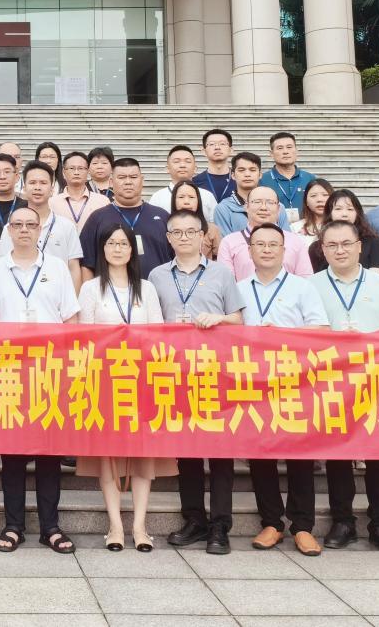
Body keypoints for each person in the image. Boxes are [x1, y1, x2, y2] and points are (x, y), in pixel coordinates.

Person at [310, 220, 379, 554]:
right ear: (322, 250)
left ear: (359, 246)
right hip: (330, 382)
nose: (339, 250)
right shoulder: (310, 286)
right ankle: (343, 521)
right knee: (337, 456)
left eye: (346, 244)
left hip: (376, 382)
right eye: (332, 245)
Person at [0, 205, 79, 555]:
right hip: (9, 371)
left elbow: (70, 320)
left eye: (30, 225)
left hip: (49, 371)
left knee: (49, 453)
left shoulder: (56, 268)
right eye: (18, 225)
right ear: (9, 231)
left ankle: (50, 526)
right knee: (12, 454)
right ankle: (13, 525)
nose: (24, 230)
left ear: (40, 230)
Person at [149, 209, 243, 554]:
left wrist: (218, 319)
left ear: (204, 236)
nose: (185, 237)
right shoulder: (157, 275)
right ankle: (194, 519)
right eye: (178, 232)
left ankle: (220, 525)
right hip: (174, 373)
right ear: (169, 238)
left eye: (191, 231)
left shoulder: (222, 273)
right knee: (186, 451)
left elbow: (238, 319)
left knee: (220, 453)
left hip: (216, 372)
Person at [77, 223, 175, 552]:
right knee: (109, 456)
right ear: (102, 249)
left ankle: (140, 526)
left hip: (142, 379)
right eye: (111, 243)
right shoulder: (91, 288)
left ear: (133, 250)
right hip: (105, 380)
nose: (117, 249)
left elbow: (158, 333)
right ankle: (115, 526)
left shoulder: (145, 288)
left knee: (143, 455)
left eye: (123, 243)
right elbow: (84, 337)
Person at [237, 223, 329, 556]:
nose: (266, 250)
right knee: (260, 454)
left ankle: (302, 526)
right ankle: (271, 522)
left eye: (273, 244)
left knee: (300, 455)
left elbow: (322, 329)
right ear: (250, 251)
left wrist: (283, 335)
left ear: (284, 250)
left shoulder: (303, 288)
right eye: (259, 244)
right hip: (253, 382)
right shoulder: (237, 289)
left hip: (295, 381)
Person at [79, 158, 171, 280]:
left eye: (133, 177)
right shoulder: (97, 218)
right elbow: (87, 264)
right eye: (121, 177)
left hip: (156, 289)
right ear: (111, 182)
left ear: (142, 180)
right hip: (109, 290)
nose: (128, 182)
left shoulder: (162, 216)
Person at [0, 161, 83, 290]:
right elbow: (3, 266)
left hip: (58, 296)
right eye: (32, 183)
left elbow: (74, 268)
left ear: (52, 189)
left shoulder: (66, 226)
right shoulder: (12, 227)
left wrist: (74, 300)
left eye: (43, 183)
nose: (37, 187)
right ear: (24, 188)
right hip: (20, 294)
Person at [217, 186, 313, 282]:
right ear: (246, 207)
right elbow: (226, 285)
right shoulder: (229, 242)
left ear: (278, 209)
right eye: (257, 202)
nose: (263, 207)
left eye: (270, 202)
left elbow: (306, 281)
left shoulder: (295, 241)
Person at [308, 189, 379, 273]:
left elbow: (375, 275)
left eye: (350, 209)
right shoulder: (316, 248)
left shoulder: (373, 242)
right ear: (329, 213)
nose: (344, 214)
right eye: (338, 209)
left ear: (357, 213)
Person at [213, 152, 290, 236]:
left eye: (252, 170)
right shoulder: (223, 208)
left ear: (260, 175)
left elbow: (287, 238)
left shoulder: (277, 206)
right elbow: (225, 241)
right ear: (233, 175)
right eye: (241, 170)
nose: (247, 174)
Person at [148, 145, 218, 218]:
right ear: (167, 169)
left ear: (195, 168)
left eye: (188, 161)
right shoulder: (158, 197)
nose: (182, 165)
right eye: (176, 161)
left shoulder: (207, 196)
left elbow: (215, 223)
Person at [261, 131, 315, 222]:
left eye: (289, 147)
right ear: (271, 153)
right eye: (280, 148)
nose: (285, 152)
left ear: (296, 151)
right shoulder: (262, 180)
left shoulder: (310, 179)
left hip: (306, 229)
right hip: (273, 228)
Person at [50, 150, 110, 231]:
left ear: (88, 172)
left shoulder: (103, 201)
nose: (76, 172)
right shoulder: (52, 203)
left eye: (81, 168)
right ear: (63, 172)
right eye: (72, 168)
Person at [172, 180, 221, 260]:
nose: (186, 202)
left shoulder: (211, 229)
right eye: (181, 197)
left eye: (191, 197)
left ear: (198, 200)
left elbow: (220, 258)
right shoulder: (164, 227)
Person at [193, 129, 235, 203]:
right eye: (212, 144)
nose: (217, 147)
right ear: (204, 151)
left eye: (222, 144)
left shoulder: (240, 180)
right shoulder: (195, 182)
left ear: (231, 150)